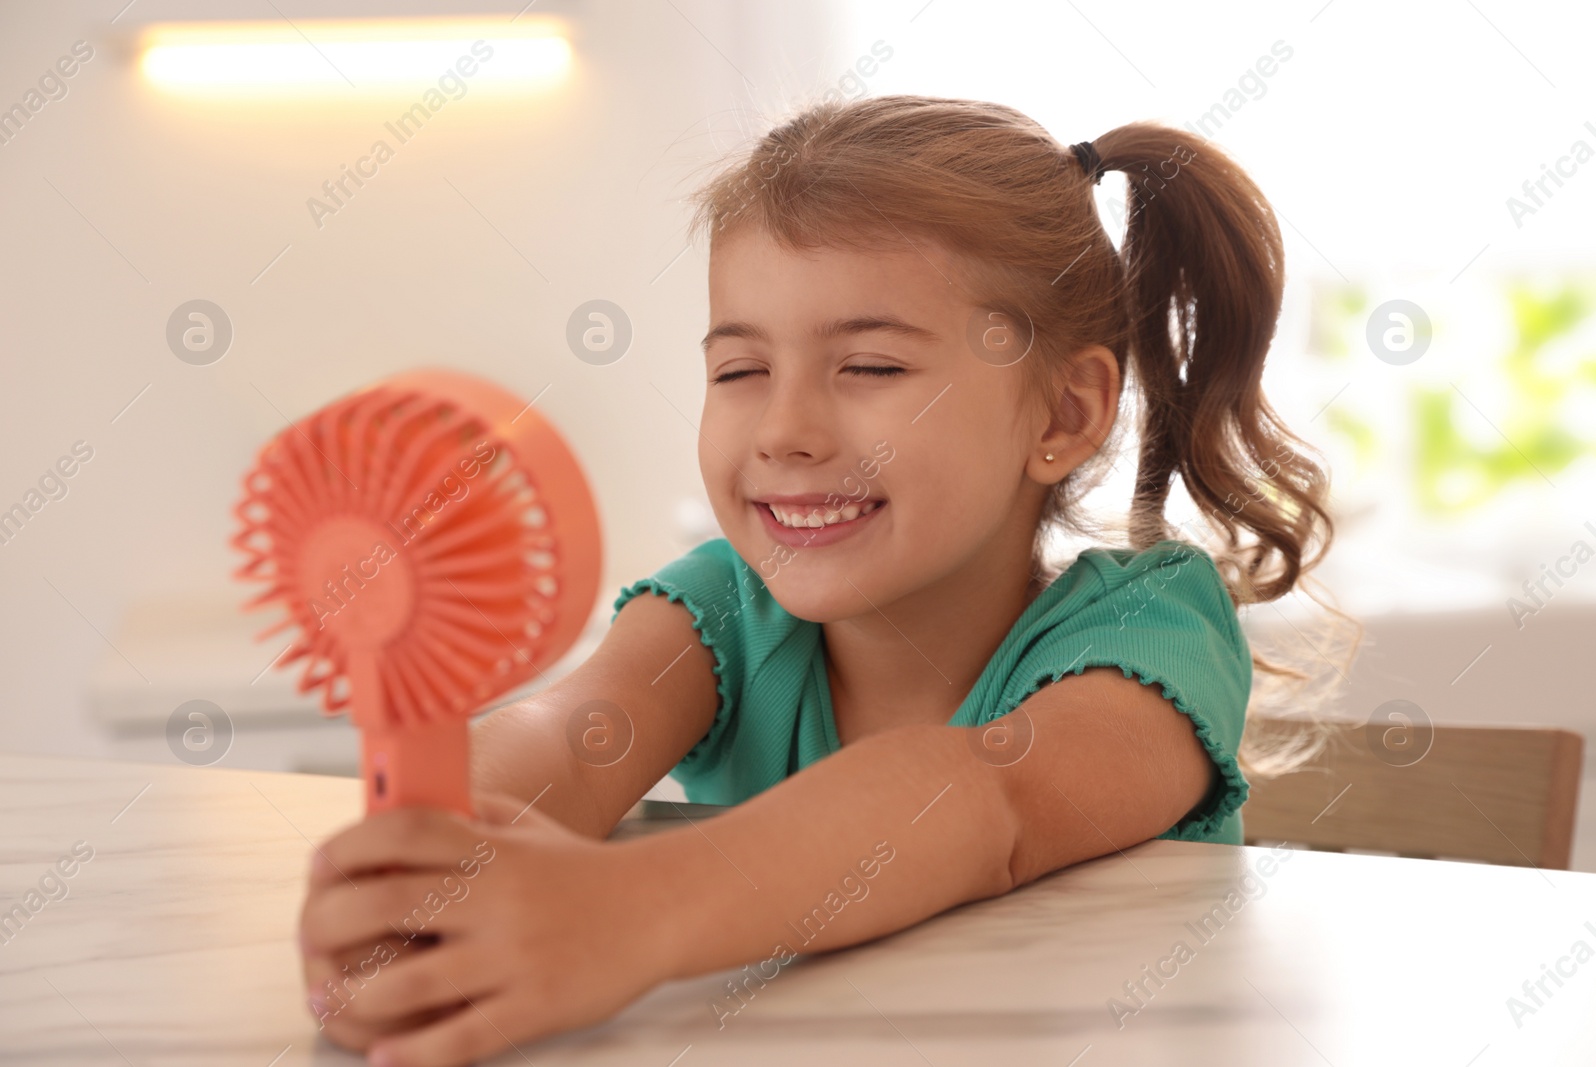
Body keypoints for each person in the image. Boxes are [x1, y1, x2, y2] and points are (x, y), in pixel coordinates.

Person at [297, 94, 1352, 1067]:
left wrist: (625, 911)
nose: (786, 430)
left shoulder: (1152, 628)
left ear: (1063, 414)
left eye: (870, 367)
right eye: (738, 370)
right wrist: (444, 864)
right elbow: (572, 727)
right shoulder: (721, 609)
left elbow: (983, 797)